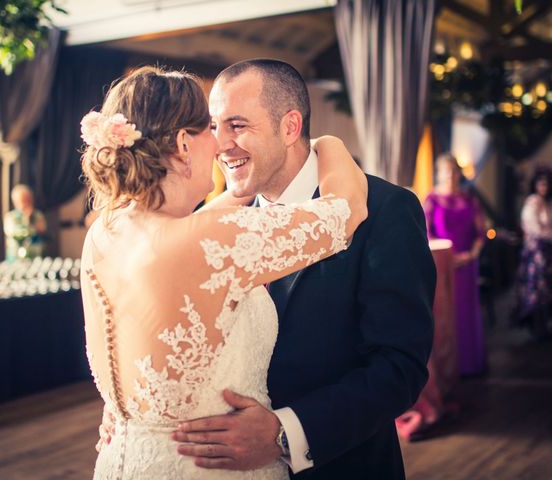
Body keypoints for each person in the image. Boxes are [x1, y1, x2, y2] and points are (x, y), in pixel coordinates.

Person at [80, 65, 368, 479]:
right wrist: (330, 144)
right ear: (184, 143)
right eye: (210, 129)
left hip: (126, 458)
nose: (219, 146)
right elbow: (346, 210)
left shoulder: (107, 233)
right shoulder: (206, 241)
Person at [157, 59, 434, 479]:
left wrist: (284, 433)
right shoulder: (211, 224)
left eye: (237, 125)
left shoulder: (384, 211)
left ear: (289, 127)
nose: (220, 145)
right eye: (214, 127)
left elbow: (399, 367)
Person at [424, 153, 486, 376]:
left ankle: (470, 363)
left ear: (459, 174)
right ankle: (449, 369)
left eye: (454, 171)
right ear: (438, 174)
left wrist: (471, 255)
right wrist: (449, 257)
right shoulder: (431, 200)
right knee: (446, 313)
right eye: (445, 171)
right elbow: (426, 232)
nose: (450, 175)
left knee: (467, 312)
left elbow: (481, 233)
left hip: (467, 264)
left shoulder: (469, 200)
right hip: (443, 266)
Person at [515, 168, 552, 340]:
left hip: (547, 253)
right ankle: (538, 329)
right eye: (541, 183)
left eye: (547, 184)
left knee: (545, 290)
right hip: (536, 254)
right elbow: (536, 230)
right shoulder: (532, 202)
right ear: (535, 185)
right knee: (536, 289)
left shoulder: (547, 202)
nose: (544, 187)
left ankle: (544, 326)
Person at [3, 184, 47, 261]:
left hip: (35, 256)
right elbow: (14, 233)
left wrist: (30, 219)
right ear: (15, 202)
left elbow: (42, 230)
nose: (26, 203)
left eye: (28, 199)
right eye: (23, 200)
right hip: (16, 257)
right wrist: (26, 220)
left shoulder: (38, 215)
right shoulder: (10, 217)